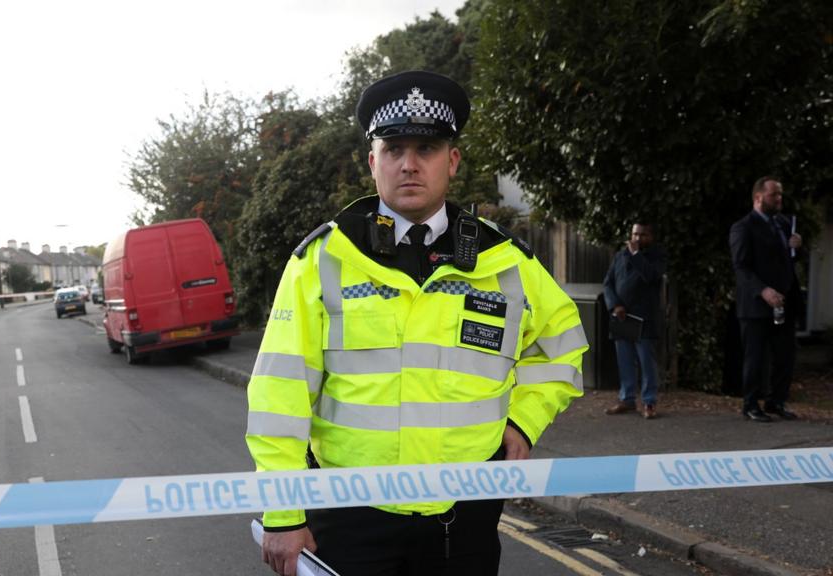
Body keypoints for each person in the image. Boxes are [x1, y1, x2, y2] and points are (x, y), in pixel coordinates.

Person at [245, 70, 588, 576]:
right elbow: (280, 394)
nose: (409, 164)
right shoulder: (323, 259)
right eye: (394, 149)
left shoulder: (505, 260)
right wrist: (283, 515)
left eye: (426, 148)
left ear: (451, 161)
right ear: (372, 162)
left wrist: (524, 419)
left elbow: (562, 347)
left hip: (464, 519)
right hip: (349, 517)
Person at [729, 177, 804, 423]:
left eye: (780, 194)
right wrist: (763, 291)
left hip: (784, 302)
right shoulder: (743, 227)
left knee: (785, 354)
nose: (779, 199)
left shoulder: (783, 224)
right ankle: (751, 404)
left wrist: (797, 247)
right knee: (755, 357)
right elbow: (741, 267)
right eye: (774, 195)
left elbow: (787, 261)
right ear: (758, 197)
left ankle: (776, 401)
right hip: (756, 305)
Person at [602, 223, 666, 419]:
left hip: (644, 318)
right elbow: (608, 283)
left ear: (651, 237)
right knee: (625, 361)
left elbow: (650, 276)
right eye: (634, 234)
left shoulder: (657, 257)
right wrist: (615, 305)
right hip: (622, 317)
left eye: (642, 235)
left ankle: (649, 402)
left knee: (646, 362)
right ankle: (627, 399)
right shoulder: (620, 256)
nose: (637, 238)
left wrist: (636, 255)